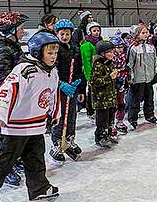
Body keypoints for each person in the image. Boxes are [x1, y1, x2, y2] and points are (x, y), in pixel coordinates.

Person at [0, 32, 60, 201]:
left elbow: (53, 94)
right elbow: (7, 91)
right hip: (16, 127)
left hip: (36, 126)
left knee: (36, 160)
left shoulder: (52, 72)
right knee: (4, 163)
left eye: (55, 53)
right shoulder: (25, 69)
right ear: (37, 52)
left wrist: (54, 113)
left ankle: (39, 188)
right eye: (49, 53)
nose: (53, 56)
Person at [0, 11, 28, 187]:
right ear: (12, 30)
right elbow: (1, 81)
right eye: (21, 28)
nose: (23, 31)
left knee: (15, 136)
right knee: (5, 137)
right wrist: (4, 106)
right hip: (5, 102)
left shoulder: (12, 46)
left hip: (16, 100)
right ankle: (4, 169)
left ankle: (15, 160)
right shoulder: (3, 50)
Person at [50, 19, 84, 163]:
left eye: (67, 34)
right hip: (60, 89)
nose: (65, 37)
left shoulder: (75, 49)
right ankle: (57, 142)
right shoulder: (54, 49)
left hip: (73, 87)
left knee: (71, 115)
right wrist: (60, 84)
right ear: (56, 34)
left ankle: (69, 138)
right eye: (62, 34)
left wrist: (80, 86)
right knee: (60, 115)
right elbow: (51, 71)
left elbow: (80, 70)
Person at [128, 26, 157, 129]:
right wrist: (131, 77)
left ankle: (149, 115)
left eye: (147, 33)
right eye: (143, 33)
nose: (146, 34)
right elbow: (130, 64)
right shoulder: (133, 48)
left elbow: (155, 61)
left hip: (149, 78)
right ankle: (133, 118)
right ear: (137, 35)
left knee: (149, 98)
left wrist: (156, 73)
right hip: (138, 79)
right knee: (135, 100)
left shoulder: (151, 47)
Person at [91, 41, 118, 148]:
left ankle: (109, 132)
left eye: (112, 51)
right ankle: (100, 136)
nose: (112, 54)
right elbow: (94, 81)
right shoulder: (98, 65)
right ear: (102, 54)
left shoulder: (110, 63)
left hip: (110, 97)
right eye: (109, 52)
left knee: (111, 116)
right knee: (102, 119)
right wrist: (109, 78)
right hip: (101, 99)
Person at [80, 21, 103, 121]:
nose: (97, 32)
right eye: (94, 31)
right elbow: (86, 62)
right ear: (89, 32)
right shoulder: (87, 44)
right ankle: (90, 110)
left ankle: (98, 109)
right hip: (92, 72)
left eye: (98, 30)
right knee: (92, 92)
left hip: (101, 71)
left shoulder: (100, 42)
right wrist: (89, 76)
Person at [110, 36, 130, 135]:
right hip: (112, 83)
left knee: (121, 102)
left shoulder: (125, 56)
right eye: (117, 47)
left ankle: (120, 120)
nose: (119, 49)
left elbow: (127, 67)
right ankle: (111, 123)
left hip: (122, 81)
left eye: (121, 47)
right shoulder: (110, 57)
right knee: (112, 103)